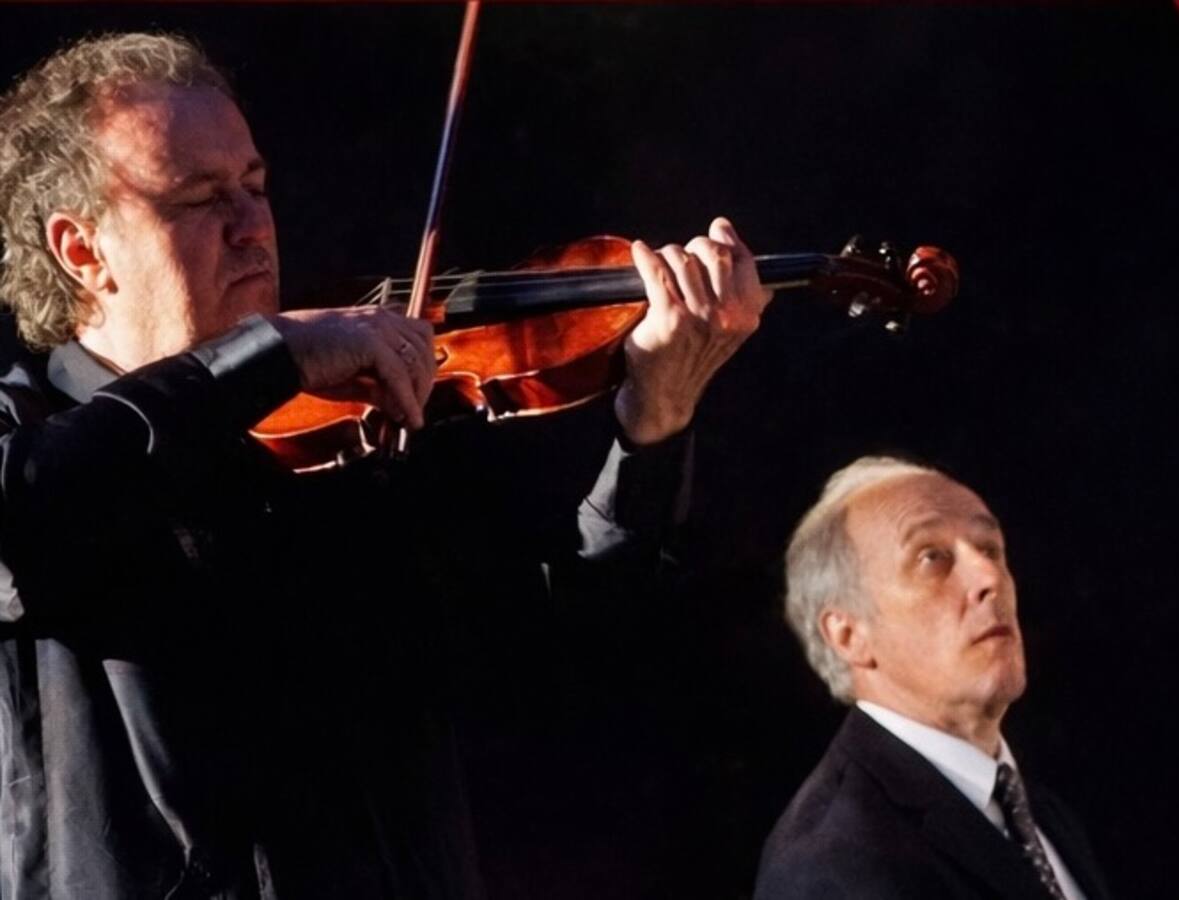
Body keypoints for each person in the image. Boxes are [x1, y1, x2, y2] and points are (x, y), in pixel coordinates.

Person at [0, 32, 771, 899]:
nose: (253, 227)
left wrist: (653, 421)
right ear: (80, 249)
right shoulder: (27, 430)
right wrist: (268, 358)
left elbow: (557, 657)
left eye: (256, 188)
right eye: (198, 199)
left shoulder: (351, 443)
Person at [755, 457, 1110, 900]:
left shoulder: (1040, 813)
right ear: (849, 635)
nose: (988, 577)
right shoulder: (831, 865)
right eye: (932, 557)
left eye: (990, 549)